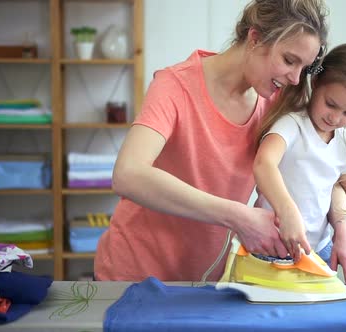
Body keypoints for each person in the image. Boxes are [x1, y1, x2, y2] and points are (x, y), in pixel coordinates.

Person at [94, 0, 329, 282]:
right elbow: (127, 175)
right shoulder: (174, 86)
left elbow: (329, 158)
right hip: (133, 274)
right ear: (254, 38)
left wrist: (345, 225)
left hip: (203, 282)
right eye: (289, 60)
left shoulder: (276, 102)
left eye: (304, 68)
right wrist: (238, 216)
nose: (294, 78)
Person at [253, 43, 346, 285]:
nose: (335, 118)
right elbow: (264, 163)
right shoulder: (292, 125)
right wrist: (287, 211)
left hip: (321, 249)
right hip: (273, 245)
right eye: (331, 104)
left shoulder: (345, 143)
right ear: (315, 82)